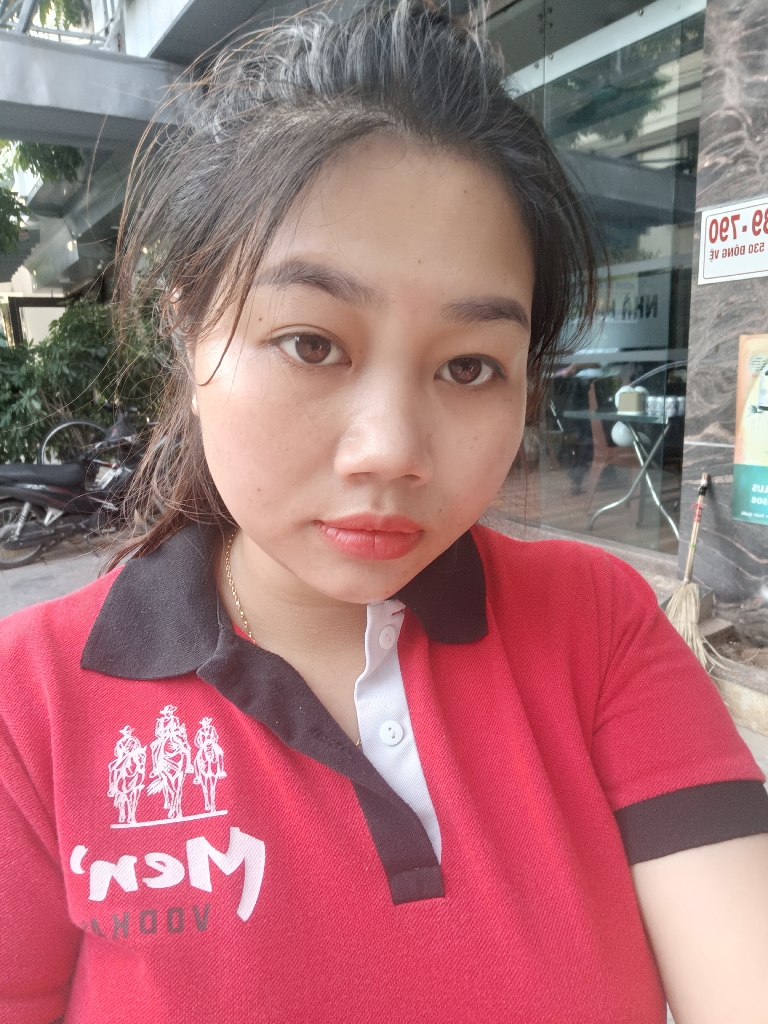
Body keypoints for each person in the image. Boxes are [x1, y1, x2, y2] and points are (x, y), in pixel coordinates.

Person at [2, 2, 768, 1021]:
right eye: (312, 343)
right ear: (189, 328)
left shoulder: (599, 627)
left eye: (469, 365)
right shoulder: (30, 709)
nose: (394, 450)